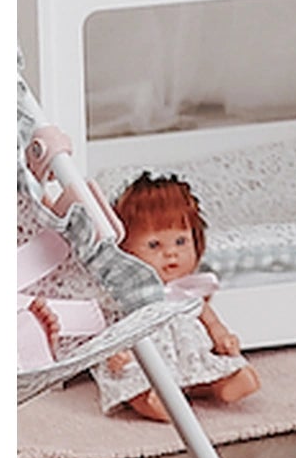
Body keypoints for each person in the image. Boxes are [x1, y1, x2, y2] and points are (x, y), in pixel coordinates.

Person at [93, 172, 262, 421]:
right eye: (154, 245)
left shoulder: (189, 290)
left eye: (181, 241)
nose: (171, 254)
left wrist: (222, 336)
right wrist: (115, 353)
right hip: (145, 363)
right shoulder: (128, 294)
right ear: (124, 252)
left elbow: (210, 320)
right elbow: (113, 327)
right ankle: (151, 401)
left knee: (208, 366)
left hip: (188, 358)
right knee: (133, 380)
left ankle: (222, 384)